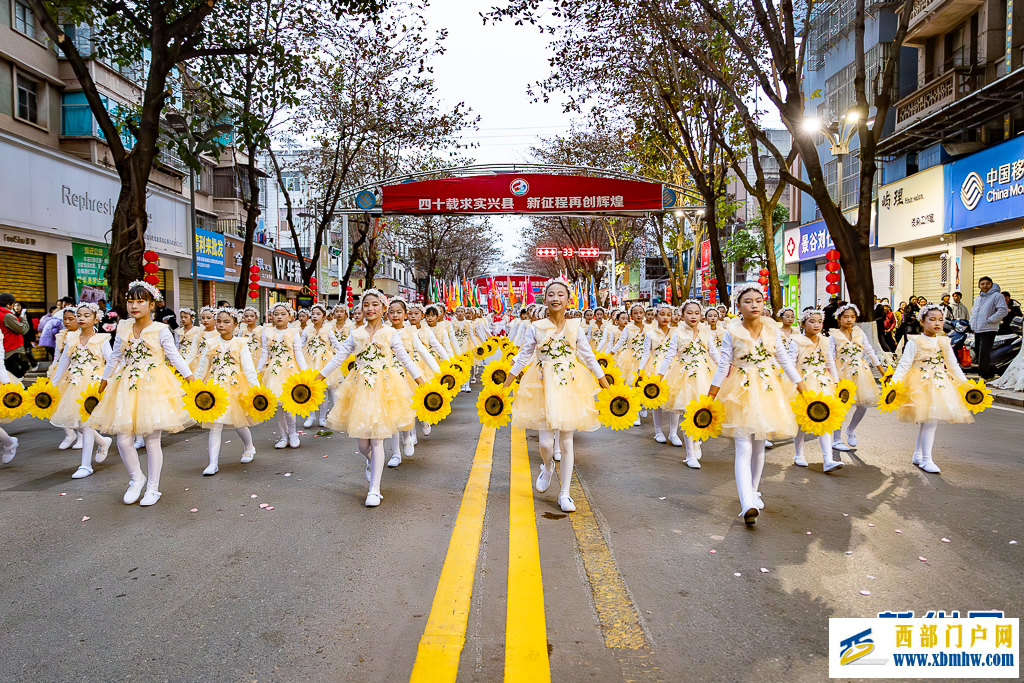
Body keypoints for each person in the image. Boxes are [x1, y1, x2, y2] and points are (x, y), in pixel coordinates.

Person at [504, 279, 610, 513]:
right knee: (544, 443)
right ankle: (547, 465)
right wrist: (506, 383)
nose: (555, 298)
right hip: (542, 385)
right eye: (550, 294)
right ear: (544, 298)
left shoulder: (576, 328)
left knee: (567, 441)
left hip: (569, 386)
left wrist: (604, 381)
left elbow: (588, 356)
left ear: (567, 299)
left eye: (560, 294)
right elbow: (523, 356)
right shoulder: (536, 327)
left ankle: (565, 494)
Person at [87, 281, 195, 506]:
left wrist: (190, 378)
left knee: (151, 440)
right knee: (123, 439)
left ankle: (153, 489)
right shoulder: (124, 326)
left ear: (152, 304)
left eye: (140, 301)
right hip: (126, 384)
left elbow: (174, 356)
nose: (134, 305)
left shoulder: (161, 330)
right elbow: (116, 355)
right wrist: (105, 379)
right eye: (130, 301)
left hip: (154, 384)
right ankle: (137, 478)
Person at [316, 290, 425, 507]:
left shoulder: (390, 333)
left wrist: (423, 383)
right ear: (361, 308)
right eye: (366, 305)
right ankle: (372, 463)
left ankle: (374, 489)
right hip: (359, 387)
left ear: (383, 309)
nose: (370, 308)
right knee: (362, 444)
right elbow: (339, 358)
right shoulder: (355, 334)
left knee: (376, 440)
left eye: (375, 304)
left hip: (384, 387)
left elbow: (405, 359)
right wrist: (317, 377)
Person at [708, 284, 806, 525]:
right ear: (738, 306)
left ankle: (753, 491)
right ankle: (747, 503)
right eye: (748, 301)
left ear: (764, 305)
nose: (754, 305)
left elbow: (784, 361)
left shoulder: (773, 331)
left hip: (767, 390)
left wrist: (805, 391)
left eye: (758, 301)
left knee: (760, 445)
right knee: (743, 446)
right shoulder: (732, 331)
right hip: (738, 391)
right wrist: (709, 397)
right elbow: (723, 366)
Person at [892, 304, 974, 473]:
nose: (937, 323)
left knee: (928, 421)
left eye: (940, 320)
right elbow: (903, 365)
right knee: (929, 422)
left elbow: (953, 365)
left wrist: (965, 384)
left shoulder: (943, 341)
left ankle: (918, 454)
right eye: (932, 319)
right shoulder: (914, 342)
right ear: (922, 321)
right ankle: (926, 460)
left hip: (938, 384)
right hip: (919, 384)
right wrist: (893, 386)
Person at [49, 303, 113, 478]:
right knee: (78, 424)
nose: (81, 318)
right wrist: (53, 385)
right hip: (75, 384)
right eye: (79, 315)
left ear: (95, 318)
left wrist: (109, 382)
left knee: (86, 425)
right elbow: (64, 363)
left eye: (86, 315)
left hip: (94, 386)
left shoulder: (102, 340)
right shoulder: (71, 339)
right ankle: (103, 442)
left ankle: (85, 465)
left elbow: (111, 362)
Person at [195, 308, 258, 475]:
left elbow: (249, 368)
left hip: (236, 387)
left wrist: (256, 390)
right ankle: (213, 463)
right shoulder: (211, 343)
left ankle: (249, 447)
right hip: (215, 387)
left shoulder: (241, 343)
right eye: (219, 321)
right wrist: (194, 386)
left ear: (235, 324)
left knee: (239, 422)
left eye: (226, 322)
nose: (221, 325)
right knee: (215, 424)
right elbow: (203, 368)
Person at [657, 300, 719, 467]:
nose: (693, 316)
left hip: (705, 376)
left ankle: (697, 440)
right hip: (684, 376)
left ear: (701, 315)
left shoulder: (706, 333)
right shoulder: (677, 334)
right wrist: (659, 377)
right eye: (689, 313)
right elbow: (670, 356)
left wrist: (725, 371)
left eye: (696, 313)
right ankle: (690, 455)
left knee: (702, 412)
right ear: (682, 315)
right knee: (687, 412)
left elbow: (714, 354)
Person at [790, 309, 843, 472]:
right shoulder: (796, 341)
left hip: (822, 382)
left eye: (819, 321)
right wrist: (794, 383)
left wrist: (835, 381)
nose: (816, 324)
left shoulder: (825, 341)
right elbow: (790, 363)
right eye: (812, 321)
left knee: (825, 417)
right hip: (802, 382)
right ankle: (799, 454)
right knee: (801, 420)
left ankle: (828, 459)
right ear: (803, 323)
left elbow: (830, 363)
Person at [831, 304, 884, 451]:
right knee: (840, 406)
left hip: (860, 372)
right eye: (846, 317)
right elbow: (829, 356)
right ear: (839, 318)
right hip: (840, 371)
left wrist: (881, 370)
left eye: (852, 317)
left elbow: (870, 350)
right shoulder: (833, 335)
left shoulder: (859, 332)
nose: (849, 319)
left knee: (863, 405)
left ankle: (851, 429)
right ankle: (836, 440)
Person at [256, 303, 308, 449]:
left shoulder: (294, 333)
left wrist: (305, 374)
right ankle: (283, 436)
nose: (279, 316)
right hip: (273, 371)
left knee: (288, 404)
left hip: (290, 370)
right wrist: (257, 372)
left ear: (290, 316)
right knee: (278, 406)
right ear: (271, 316)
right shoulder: (266, 332)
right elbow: (264, 354)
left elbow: (298, 354)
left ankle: (293, 434)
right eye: (276, 313)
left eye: (283, 314)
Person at [638, 304, 674, 444]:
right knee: (657, 401)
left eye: (668, 315)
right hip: (655, 367)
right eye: (662, 314)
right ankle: (658, 431)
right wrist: (641, 369)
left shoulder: (676, 333)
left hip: (673, 367)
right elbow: (646, 353)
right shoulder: (650, 334)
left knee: (674, 400)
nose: (665, 317)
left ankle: (673, 432)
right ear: (656, 316)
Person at [969, 277, 1008, 381]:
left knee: (984, 352)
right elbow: (974, 312)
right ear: (979, 286)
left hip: (989, 329)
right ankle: (990, 373)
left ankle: (983, 376)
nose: (985, 286)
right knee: (978, 351)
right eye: (982, 284)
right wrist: (972, 324)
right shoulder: (977, 298)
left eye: (987, 284)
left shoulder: (997, 296)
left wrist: (990, 320)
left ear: (991, 284)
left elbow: (1003, 310)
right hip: (978, 329)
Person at [0, 292, 31, 378]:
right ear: (9, 304)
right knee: (16, 373)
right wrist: (24, 319)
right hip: (11, 348)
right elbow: (22, 329)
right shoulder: (6, 315)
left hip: (5, 347)